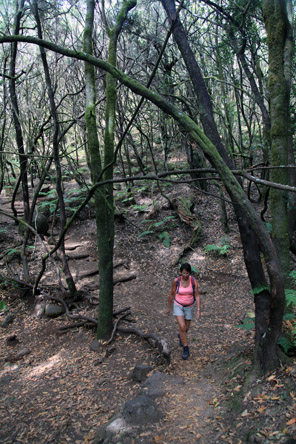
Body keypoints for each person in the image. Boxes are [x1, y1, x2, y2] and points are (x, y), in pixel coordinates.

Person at [166, 263, 201, 360]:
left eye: (187, 273)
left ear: (190, 273)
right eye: (184, 273)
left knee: (186, 328)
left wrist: (198, 309)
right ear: (181, 272)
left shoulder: (193, 281)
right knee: (182, 326)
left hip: (189, 306)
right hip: (178, 305)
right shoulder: (176, 281)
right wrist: (168, 307)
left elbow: (197, 295)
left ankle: (181, 335)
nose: (185, 275)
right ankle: (186, 348)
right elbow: (172, 294)